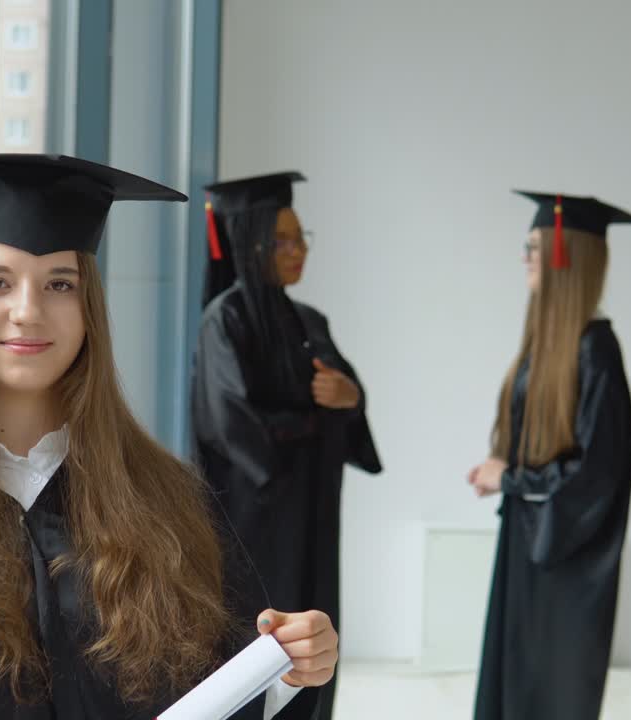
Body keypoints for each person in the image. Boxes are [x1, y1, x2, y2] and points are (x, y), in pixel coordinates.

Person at [0, 154, 340, 719]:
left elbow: (222, 679)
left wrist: (286, 667)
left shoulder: (165, 501)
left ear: (88, 307)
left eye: (59, 284)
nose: (28, 310)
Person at [190, 171, 381, 719]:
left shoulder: (310, 321)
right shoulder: (224, 321)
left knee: (315, 639)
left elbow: (344, 396)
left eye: (301, 239)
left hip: (312, 514)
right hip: (254, 521)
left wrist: (351, 398)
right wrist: (315, 424)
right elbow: (231, 425)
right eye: (283, 241)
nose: (299, 251)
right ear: (251, 244)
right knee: (261, 640)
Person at [468, 191, 631, 720]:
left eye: (534, 246)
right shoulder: (547, 344)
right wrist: (503, 476)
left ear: (568, 257)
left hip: (566, 551)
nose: (525, 257)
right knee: (516, 680)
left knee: (548, 687)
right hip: (529, 538)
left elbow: (599, 471)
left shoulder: (596, 349)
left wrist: (512, 478)